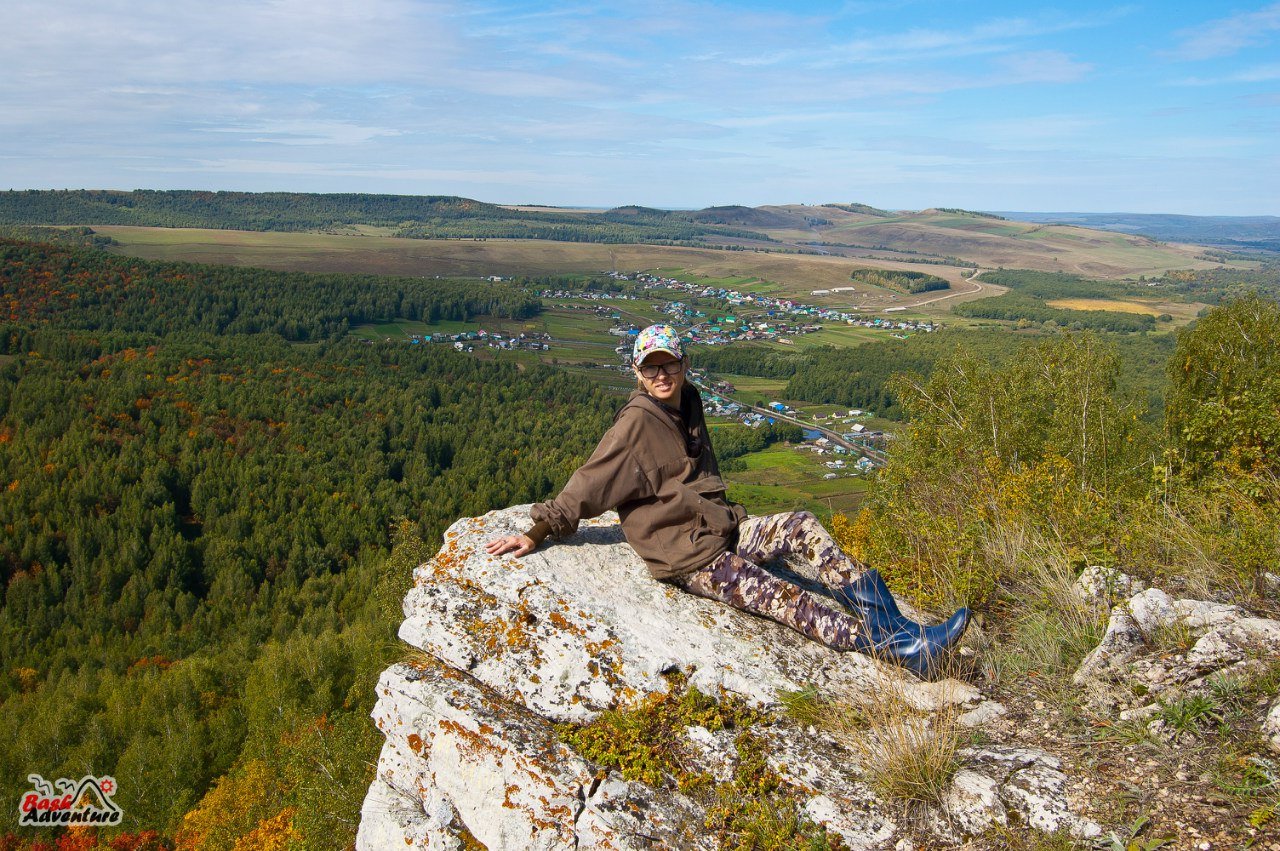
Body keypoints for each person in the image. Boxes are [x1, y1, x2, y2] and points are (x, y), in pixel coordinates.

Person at [486, 324, 969, 678]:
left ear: (683, 364)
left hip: (722, 527)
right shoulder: (634, 425)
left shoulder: (688, 403)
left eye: (669, 363)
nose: (661, 374)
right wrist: (537, 531)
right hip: (689, 554)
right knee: (788, 599)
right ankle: (900, 650)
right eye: (650, 366)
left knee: (801, 524)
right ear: (636, 372)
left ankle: (898, 623)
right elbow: (587, 485)